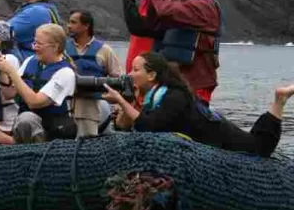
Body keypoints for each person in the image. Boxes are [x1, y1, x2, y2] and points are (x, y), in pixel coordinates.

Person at [102, 52, 294, 158]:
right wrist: (126, 100)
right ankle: (279, 101)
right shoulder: (154, 97)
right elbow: (123, 128)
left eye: (135, 70)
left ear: (152, 75)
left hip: (227, 138)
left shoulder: (173, 96)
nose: (130, 74)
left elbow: (149, 125)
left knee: (260, 148)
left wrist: (120, 101)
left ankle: (280, 100)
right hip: (209, 137)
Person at [123, 0, 221, 105]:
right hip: (176, 84)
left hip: (196, 83)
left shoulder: (203, 5)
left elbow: (166, 11)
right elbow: (146, 27)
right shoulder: (180, 3)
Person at [0, 23, 76, 143]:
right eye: (34, 43)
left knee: (27, 118)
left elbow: (34, 103)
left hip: (52, 132)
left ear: (55, 47)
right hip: (23, 128)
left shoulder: (65, 73)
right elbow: (8, 94)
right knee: (24, 119)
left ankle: (35, 152)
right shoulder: (30, 61)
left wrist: (12, 72)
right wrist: (3, 71)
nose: (34, 47)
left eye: (39, 44)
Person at [66, 10, 122, 137]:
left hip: (92, 107)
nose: (68, 25)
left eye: (73, 22)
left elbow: (117, 80)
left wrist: (108, 98)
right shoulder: (62, 49)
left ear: (86, 26)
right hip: (66, 107)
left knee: (87, 141)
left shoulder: (105, 50)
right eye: (69, 22)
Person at [121, 0, 169, 73]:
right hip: (135, 73)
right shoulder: (144, 1)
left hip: (150, 73)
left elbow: (137, 27)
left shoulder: (161, 5)